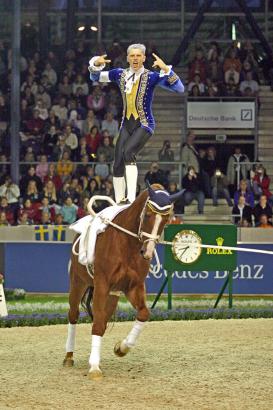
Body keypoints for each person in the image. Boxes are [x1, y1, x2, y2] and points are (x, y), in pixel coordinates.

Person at [88, 43, 184, 203]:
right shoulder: (119, 74)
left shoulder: (152, 76)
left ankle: (131, 199)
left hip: (145, 124)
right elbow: (95, 78)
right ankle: (119, 202)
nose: (135, 58)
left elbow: (179, 88)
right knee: (117, 161)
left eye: (138, 55)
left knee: (128, 153)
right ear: (127, 58)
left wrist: (167, 69)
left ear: (144, 58)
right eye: (132, 55)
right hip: (126, 125)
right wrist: (96, 65)